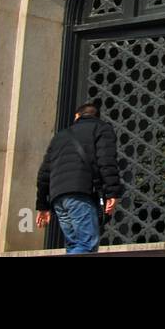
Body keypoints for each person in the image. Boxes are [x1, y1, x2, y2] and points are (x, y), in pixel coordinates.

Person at [34, 101, 123, 254]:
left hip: (58, 198)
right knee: (86, 245)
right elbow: (106, 161)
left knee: (74, 245)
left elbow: (44, 173)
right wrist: (113, 192)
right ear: (96, 116)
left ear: (77, 116)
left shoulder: (60, 136)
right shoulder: (102, 128)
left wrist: (43, 205)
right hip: (80, 193)